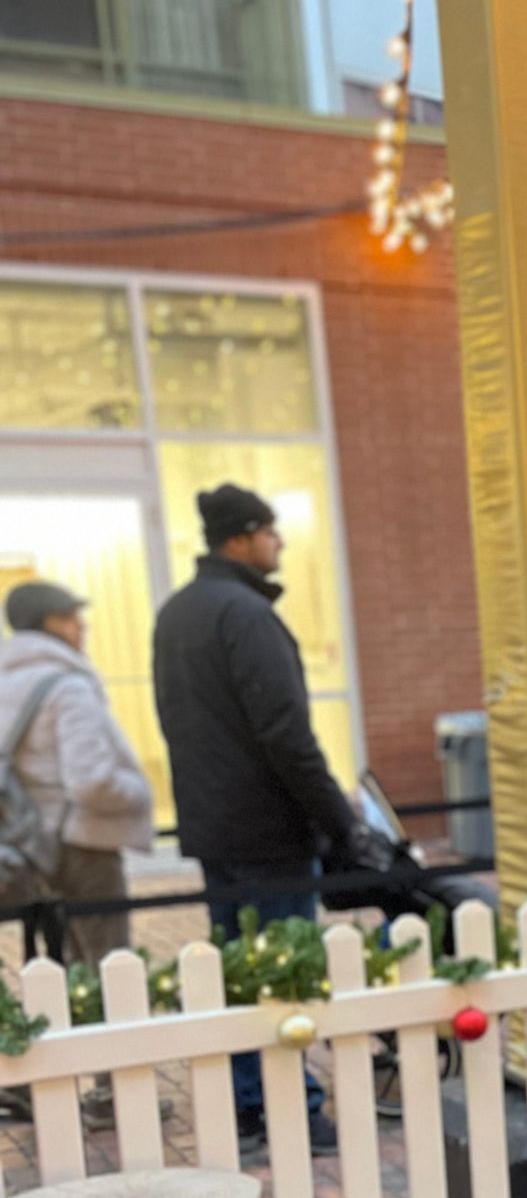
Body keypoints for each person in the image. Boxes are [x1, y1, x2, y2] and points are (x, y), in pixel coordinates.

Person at [153, 484, 362, 1148]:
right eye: (272, 532)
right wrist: (340, 819)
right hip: (267, 829)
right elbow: (285, 733)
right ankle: (291, 1108)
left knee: (236, 966)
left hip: (215, 826)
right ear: (241, 537)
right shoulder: (246, 615)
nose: (281, 543)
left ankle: (247, 1105)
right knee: (282, 971)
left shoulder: (178, 613)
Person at [0, 580, 152, 965]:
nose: (81, 628)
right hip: (83, 844)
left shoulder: (7, 682)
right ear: (50, 622)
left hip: (30, 843)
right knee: (109, 966)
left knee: (60, 965)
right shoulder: (68, 688)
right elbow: (91, 781)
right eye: (73, 618)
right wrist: (138, 793)